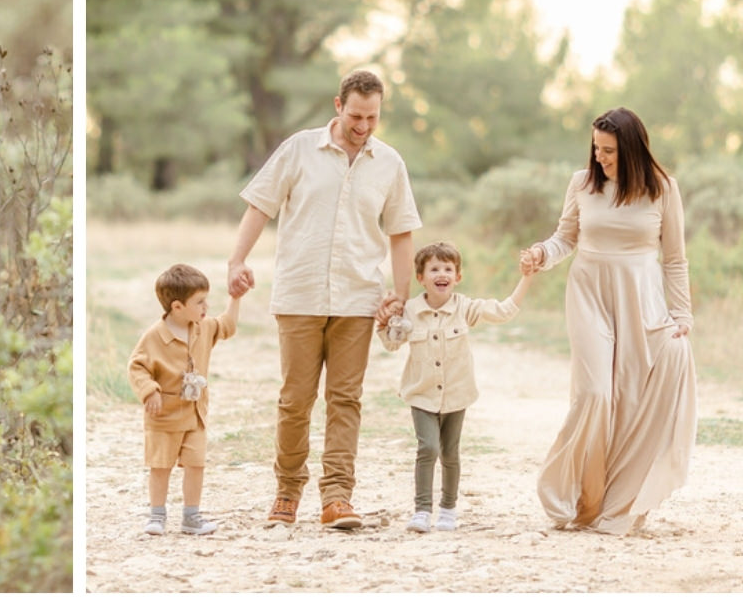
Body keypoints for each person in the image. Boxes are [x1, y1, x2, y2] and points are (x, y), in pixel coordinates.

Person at [226, 69, 420, 530]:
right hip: (299, 293)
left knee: (345, 400)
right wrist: (236, 261)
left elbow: (401, 232)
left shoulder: (390, 163)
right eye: (356, 115)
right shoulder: (298, 149)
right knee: (295, 399)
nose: (363, 125)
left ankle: (336, 498)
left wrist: (401, 294)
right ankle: (287, 493)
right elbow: (259, 206)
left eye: (372, 117)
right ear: (338, 105)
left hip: (358, 298)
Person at [518, 107, 695, 535]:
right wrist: (543, 253)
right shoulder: (582, 183)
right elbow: (566, 237)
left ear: (632, 149)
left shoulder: (663, 189)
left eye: (609, 150)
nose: (600, 157)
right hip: (589, 293)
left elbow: (674, 259)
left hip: (641, 299)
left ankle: (618, 499)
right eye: (596, 148)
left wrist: (683, 313)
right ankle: (582, 493)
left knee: (631, 399)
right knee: (595, 394)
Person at [378, 240, 530, 532]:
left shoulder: (465, 308)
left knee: (450, 452)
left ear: (457, 277)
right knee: (428, 448)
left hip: (457, 395)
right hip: (421, 394)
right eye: (433, 268)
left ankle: (448, 508)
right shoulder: (410, 309)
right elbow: (392, 343)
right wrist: (385, 323)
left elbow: (504, 311)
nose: (441, 273)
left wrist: (527, 277)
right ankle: (422, 510)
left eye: (448, 268)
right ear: (420, 277)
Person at [128, 263, 245, 535]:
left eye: (206, 300)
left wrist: (236, 297)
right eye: (200, 302)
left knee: (196, 463)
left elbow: (227, 325)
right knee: (160, 465)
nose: (206, 307)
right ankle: (156, 515)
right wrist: (150, 390)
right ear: (177, 307)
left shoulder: (203, 328)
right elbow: (137, 366)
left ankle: (191, 517)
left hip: (195, 415)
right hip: (164, 416)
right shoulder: (154, 336)